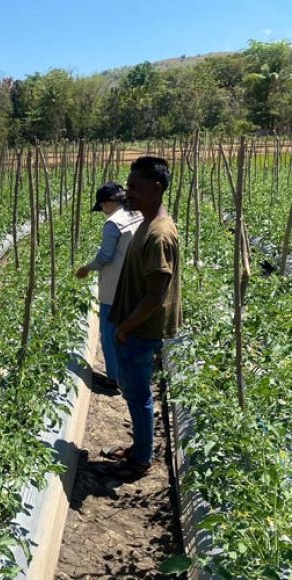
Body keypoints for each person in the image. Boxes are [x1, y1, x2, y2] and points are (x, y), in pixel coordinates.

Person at [107, 156, 182, 479]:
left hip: (140, 330)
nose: (128, 192)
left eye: (135, 187)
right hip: (135, 328)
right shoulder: (148, 224)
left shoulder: (159, 234)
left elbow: (155, 295)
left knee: (139, 396)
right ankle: (140, 449)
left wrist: (124, 328)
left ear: (156, 188)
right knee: (135, 394)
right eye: (128, 185)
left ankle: (141, 460)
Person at [76, 181, 143, 391]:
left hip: (114, 289)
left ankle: (114, 379)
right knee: (131, 333)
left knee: (111, 334)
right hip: (135, 283)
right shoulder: (137, 215)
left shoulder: (113, 223)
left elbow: (105, 255)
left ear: (107, 203)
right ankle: (132, 376)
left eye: (102, 207)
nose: (103, 212)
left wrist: (86, 268)